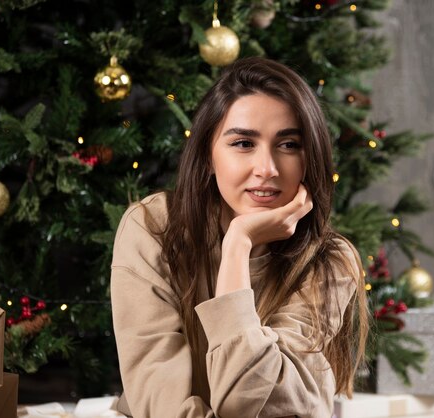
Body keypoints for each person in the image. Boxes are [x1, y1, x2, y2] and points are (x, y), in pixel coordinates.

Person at [110, 57, 368, 418]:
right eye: (244, 143)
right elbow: (158, 400)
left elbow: (244, 400)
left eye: (289, 144)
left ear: (311, 158)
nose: (267, 169)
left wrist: (237, 244)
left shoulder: (330, 260)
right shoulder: (153, 226)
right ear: (208, 155)